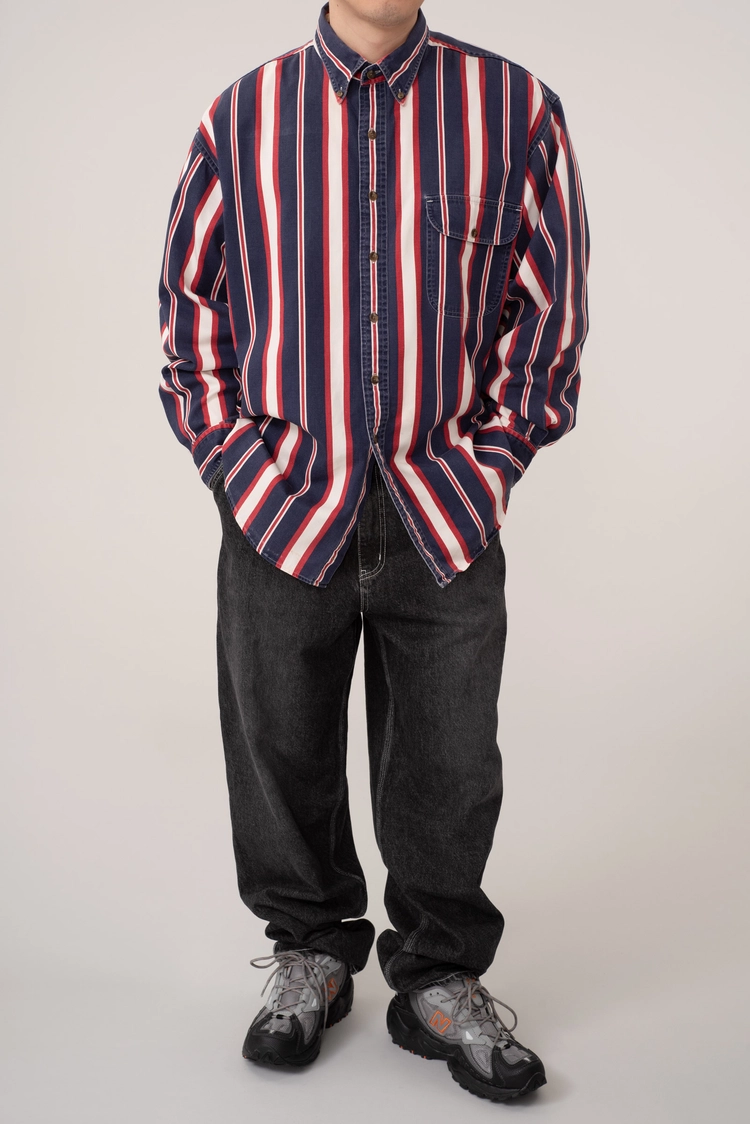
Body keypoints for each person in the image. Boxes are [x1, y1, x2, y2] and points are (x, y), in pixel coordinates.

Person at [157, 0, 590, 1102]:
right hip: (282, 502)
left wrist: (488, 466)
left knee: (452, 759)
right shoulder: (242, 117)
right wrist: (242, 473)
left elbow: (548, 317)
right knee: (277, 743)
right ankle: (310, 950)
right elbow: (190, 316)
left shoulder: (515, 109)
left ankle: (438, 975)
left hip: (442, 507)